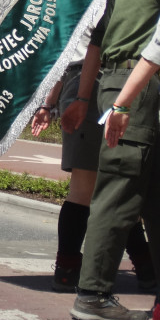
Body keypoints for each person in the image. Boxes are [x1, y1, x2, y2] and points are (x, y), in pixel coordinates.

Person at [64, 0, 160, 320]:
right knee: (119, 194)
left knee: (151, 194)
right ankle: (93, 293)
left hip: (120, 84)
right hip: (138, 89)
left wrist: (85, 97)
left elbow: (96, 43)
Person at [31, 20, 155, 293]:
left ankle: (141, 266)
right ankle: (73, 269)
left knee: (114, 185)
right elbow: (82, 48)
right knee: (95, 187)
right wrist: (50, 103)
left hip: (98, 84)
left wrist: (49, 103)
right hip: (94, 84)